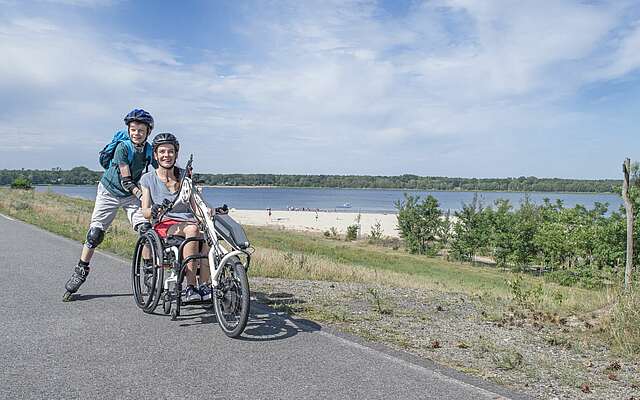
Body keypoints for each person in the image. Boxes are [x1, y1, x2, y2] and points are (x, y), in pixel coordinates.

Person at [63, 109, 157, 301]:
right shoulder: (123, 147)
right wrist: (143, 196)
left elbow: (162, 170)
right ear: (128, 130)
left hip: (130, 196)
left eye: (141, 130)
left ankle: (148, 270)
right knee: (95, 234)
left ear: (148, 132)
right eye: (133, 129)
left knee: (146, 230)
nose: (136, 133)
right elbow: (126, 180)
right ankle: (81, 269)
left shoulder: (149, 150)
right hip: (109, 191)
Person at [139, 133, 212, 302]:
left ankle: (205, 285)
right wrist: (154, 209)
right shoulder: (148, 179)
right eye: (162, 151)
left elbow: (194, 203)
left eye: (171, 151)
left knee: (209, 234)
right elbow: (144, 212)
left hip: (189, 222)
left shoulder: (184, 176)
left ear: (176, 154)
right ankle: (191, 287)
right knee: (193, 229)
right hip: (165, 223)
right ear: (155, 155)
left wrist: (207, 213)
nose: (167, 155)